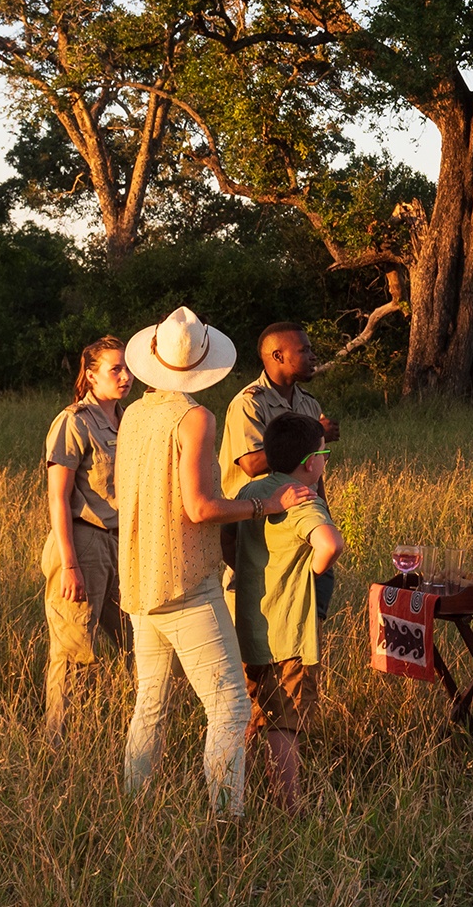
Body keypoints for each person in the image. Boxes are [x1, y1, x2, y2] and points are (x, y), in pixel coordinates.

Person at [119, 306, 315, 816]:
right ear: (204, 362)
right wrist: (265, 504)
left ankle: (134, 811)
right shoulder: (196, 418)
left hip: (139, 578)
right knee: (229, 707)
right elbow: (201, 508)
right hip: (185, 580)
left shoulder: (135, 414)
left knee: (151, 704)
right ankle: (228, 818)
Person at [229, 411, 342, 811]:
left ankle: (235, 791)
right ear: (311, 462)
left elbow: (226, 538)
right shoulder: (305, 499)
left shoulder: (251, 492)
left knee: (249, 709)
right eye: (324, 454)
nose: (324, 461)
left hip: (247, 624)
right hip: (289, 630)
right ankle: (288, 804)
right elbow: (330, 544)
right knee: (284, 719)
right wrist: (312, 571)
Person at [40, 335, 130, 741]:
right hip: (84, 540)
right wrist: (70, 564)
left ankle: (132, 732)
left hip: (122, 543)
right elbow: (58, 496)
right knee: (74, 646)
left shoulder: (130, 419)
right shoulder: (74, 421)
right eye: (115, 369)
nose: (125, 377)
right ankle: (56, 743)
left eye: (128, 368)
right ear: (91, 375)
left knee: (140, 640)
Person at [221, 322, 339, 499]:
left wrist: (323, 510)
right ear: (278, 356)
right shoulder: (249, 404)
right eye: (304, 350)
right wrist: (314, 435)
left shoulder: (308, 402)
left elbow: (313, 469)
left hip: (302, 506)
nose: (313, 357)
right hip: (257, 509)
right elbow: (252, 465)